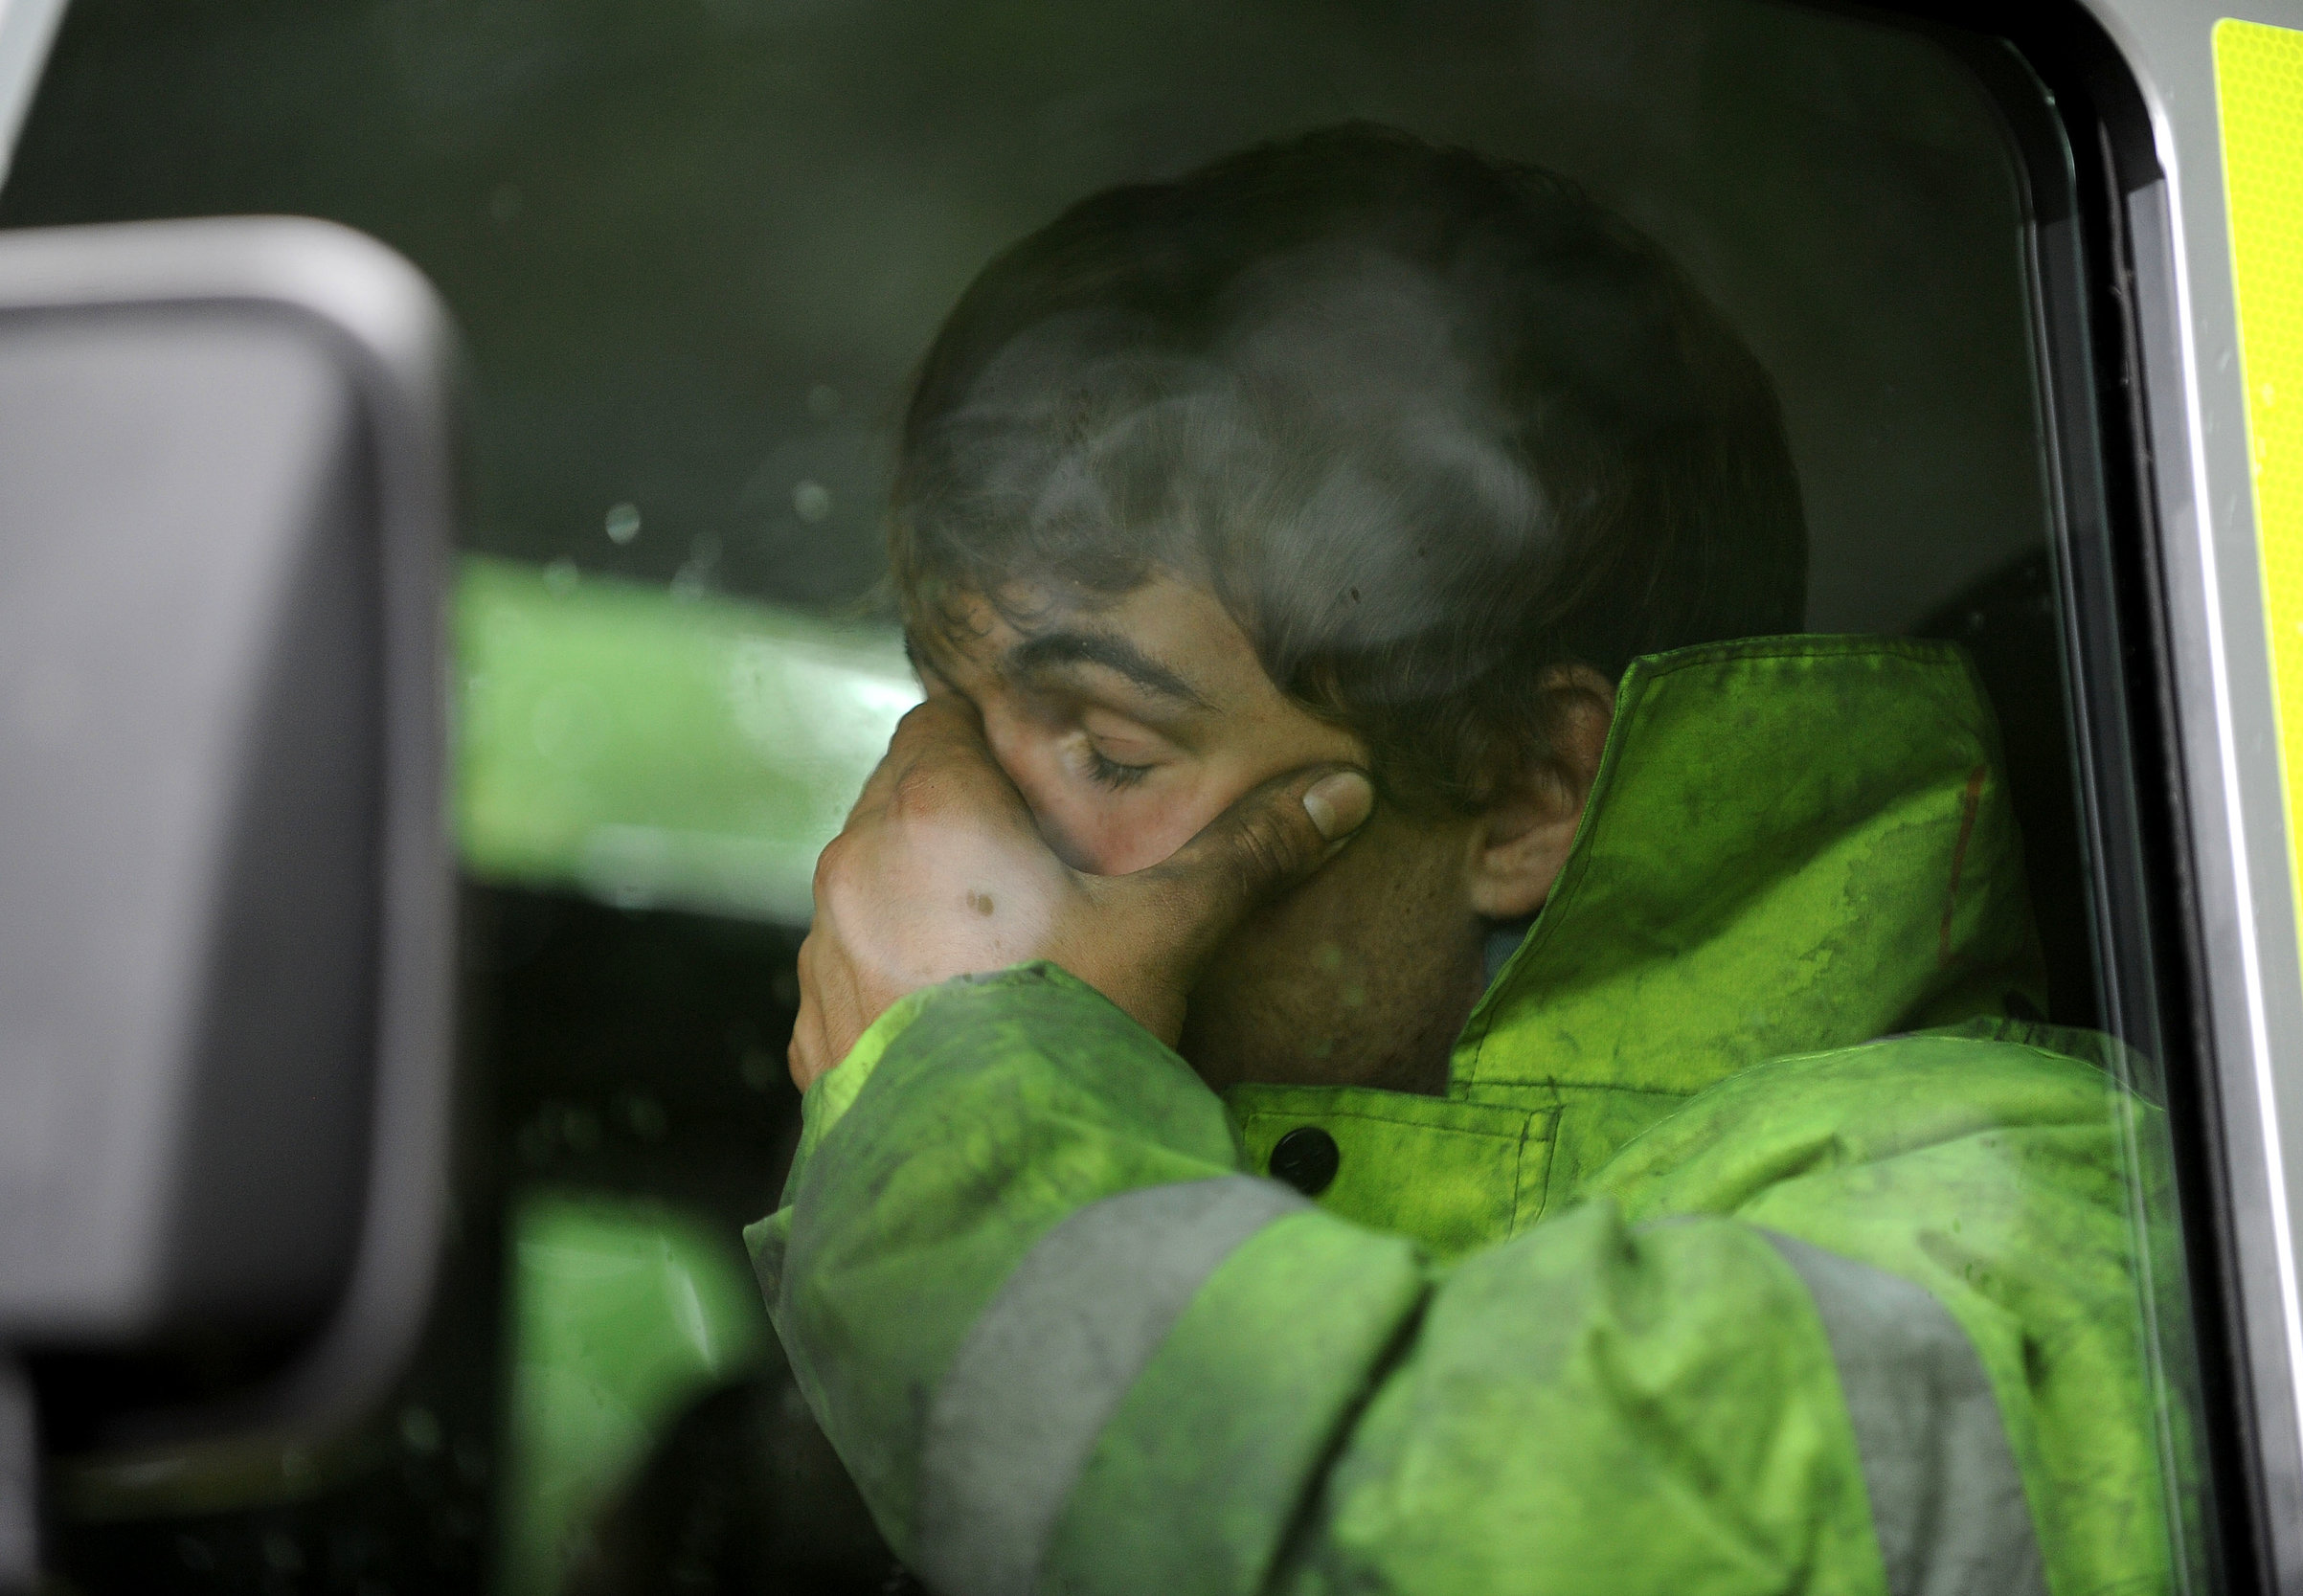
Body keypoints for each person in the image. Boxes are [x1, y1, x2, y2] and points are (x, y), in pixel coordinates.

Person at [747, 124, 2180, 1595]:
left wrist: (973, 1120)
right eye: (942, 715)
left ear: (1524, 794)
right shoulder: (1147, 1192)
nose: (933, 834)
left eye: (1110, 749)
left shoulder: (2026, 1224)